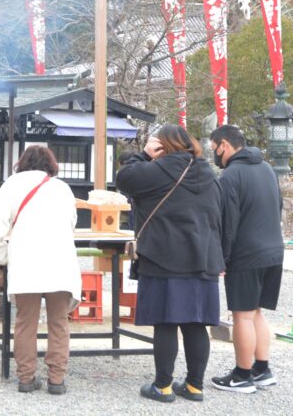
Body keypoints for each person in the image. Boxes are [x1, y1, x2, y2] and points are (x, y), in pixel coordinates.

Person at [115, 124, 223, 403]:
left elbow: (125, 178)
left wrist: (144, 153)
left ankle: (162, 386)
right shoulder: (207, 173)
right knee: (196, 323)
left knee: (165, 322)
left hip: (165, 257)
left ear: (164, 145)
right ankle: (194, 386)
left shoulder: (161, 169)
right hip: (204, 257)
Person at [0, 146, 81, 396]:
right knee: (58, 323)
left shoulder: (11, 185)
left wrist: (5, 256)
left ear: (22, 163)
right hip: (60, 262)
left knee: (25, 322)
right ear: (50, 164)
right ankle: (57, 380)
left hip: (26, 261)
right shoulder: (62, 188)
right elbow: (72, 222)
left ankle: (26, 378)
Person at [208, 124, 284, 393]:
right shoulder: (267, 169)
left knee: (241, 315)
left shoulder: (230, 176)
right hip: (274, 250)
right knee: (256, 313)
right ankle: (262, 370)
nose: (214, 154)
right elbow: (279, 206)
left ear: (224, 145)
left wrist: (222, 258)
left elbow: (228, 222)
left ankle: (241, 375)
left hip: (246, 253)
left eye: (214, 148)